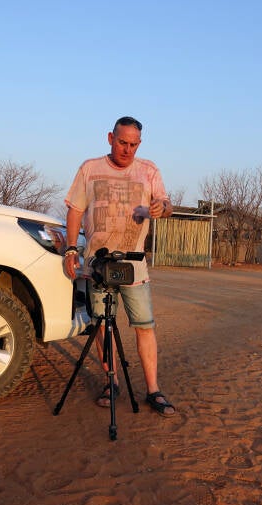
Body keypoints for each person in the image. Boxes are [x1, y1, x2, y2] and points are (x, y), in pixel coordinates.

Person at [63, 116, 176, 417]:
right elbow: (75, 211)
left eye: (134, 145)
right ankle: (111, 382)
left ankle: (153, 389)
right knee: (103, 325)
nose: (127, 150)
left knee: (144, 326)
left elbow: (167, 204)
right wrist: (71, 249)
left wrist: (160, 208)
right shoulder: (90, 169)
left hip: (134, 266)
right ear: (110, 138)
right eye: (122, 142)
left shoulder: (148, 170)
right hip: (98, 265)